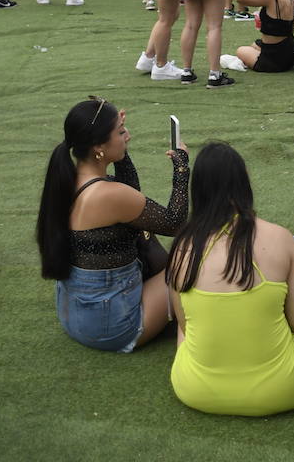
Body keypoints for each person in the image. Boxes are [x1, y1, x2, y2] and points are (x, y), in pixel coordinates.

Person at [167, 142, 294, 423]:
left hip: (194, 388)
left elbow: (186, 327)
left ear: (198, 190)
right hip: (283, 388)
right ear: (245, 182)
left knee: (191, 322)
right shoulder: (276, 237)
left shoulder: (182, 247)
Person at [36, 96, 189, 352]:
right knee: (189, 260)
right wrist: (182, 168)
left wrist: (116, 142)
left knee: (143, 234)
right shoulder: (109, 195)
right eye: (120, 132)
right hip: (114, 328)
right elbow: (174, 223)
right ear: (98, 146)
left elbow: (130, 197)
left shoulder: (68, 179)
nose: (127, 136)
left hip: (75, 318)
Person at [228, 0, 294, 73]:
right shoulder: (291, 0)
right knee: (255, 45)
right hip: (288, 52)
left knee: (241, 50)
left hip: (273, 61)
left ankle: (248, 62)